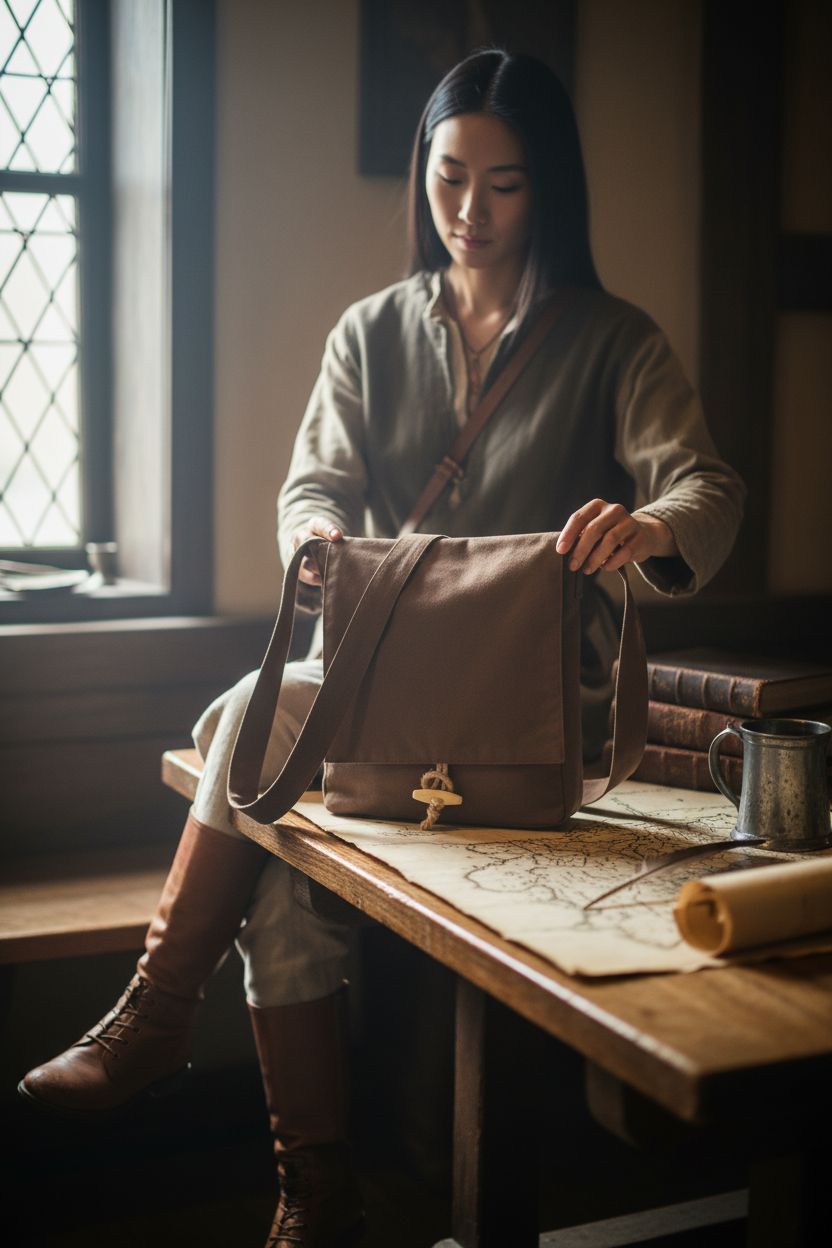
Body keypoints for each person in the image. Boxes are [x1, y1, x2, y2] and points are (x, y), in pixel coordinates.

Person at [18, 49, 744, 1248]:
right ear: (422, 174)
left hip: (526, 707)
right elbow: (314, 479)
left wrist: (648, 524)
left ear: (547, 188)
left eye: (502, 184)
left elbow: (706, 487)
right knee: (283, 864)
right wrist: (313, 531)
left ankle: (156, 1016)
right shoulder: (368, 332)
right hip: (371, 692)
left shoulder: (614, 340)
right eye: (447, 176)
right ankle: (315, 1192)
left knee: (242, 722)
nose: (467, 211)